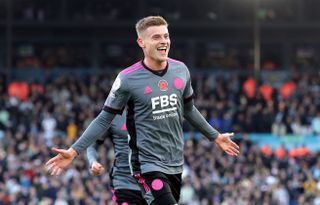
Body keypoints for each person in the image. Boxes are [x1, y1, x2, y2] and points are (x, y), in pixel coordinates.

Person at [46, 15, 240, 205]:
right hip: (145, 165)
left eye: (166, 36)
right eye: (156, 37)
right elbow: (104, 119)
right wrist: (74, 152)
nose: (164, 41)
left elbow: (189, 110)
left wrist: (214, 136)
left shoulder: (181, 70)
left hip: (174, 164)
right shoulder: (127, 78)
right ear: (142, 42)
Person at [86, 111, 147, 205]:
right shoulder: (112, 115)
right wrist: (93, 161)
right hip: (125, 183)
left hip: (153, 181)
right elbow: (91, 145)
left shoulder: (153, 110)